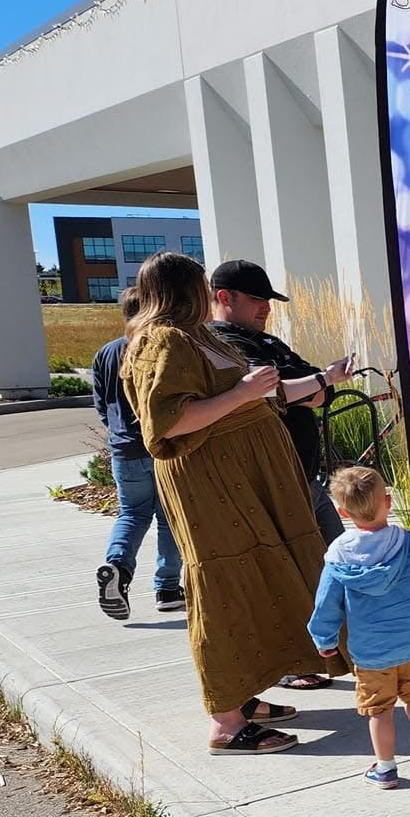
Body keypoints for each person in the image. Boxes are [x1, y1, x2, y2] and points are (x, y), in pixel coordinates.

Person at [120, 251, 343, 753]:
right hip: (211, 485)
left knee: (255, 581)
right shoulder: (163, 340)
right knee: (223, 587)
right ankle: (225, 721)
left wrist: (270, 392)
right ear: (185, 289)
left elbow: (235, 397)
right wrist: (242, 394)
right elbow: (167, 425)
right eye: (200, 283)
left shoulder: (197, 335)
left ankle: (244, 697)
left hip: (244, 481)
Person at [307, 466, 410, 790]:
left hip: (371, 652)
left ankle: (385, 768)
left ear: (342, 511)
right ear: (387, 501)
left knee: (379, 709)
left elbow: (326, 602)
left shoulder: (339, 558)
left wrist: (324, 639)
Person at [206, 258, 356, 547]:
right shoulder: (222, 343)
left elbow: (317, 394)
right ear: (224, 297)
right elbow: (272, 393)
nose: (267, 308)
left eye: (268, 300)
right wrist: (321, 381)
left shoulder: (270, 342)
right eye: (256, 299)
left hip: (306, 478)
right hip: (276, 484)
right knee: (317, 567)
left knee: (341, 560)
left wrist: (316, 384)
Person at [92, 289, 184, 621]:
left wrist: (118, 431)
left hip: (123, 450)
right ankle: (168, 588)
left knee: (131, 514)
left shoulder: (105, 352)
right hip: (159, 446)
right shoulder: (155, 347)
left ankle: (117, 565)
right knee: (169, 520)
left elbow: (102, 405)